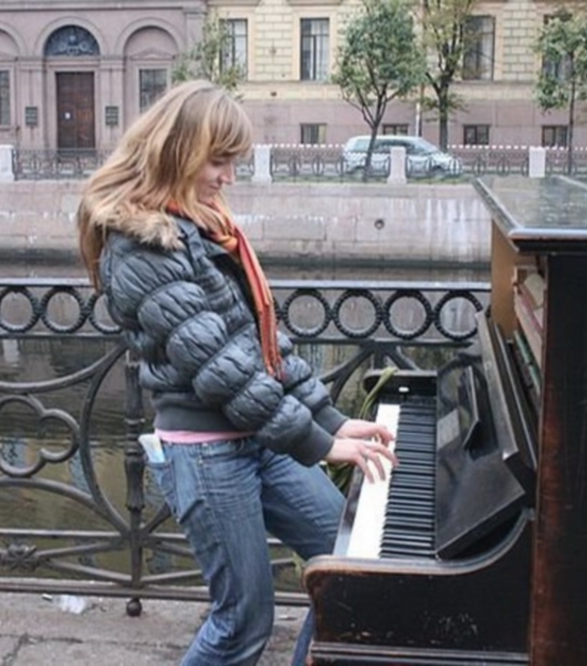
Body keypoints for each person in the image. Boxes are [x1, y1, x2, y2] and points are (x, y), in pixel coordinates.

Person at [76, 79, 397, 666]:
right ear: (177, 151)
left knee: (352, 568)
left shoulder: (201, 228)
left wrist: (329, 419)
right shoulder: (142, 246)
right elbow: (222, 370)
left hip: (257, 436)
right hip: (208, 451)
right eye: (218, 160)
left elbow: (261, 345)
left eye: (233, 162)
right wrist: (319, 442)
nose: (228, 176)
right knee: (243, 621)